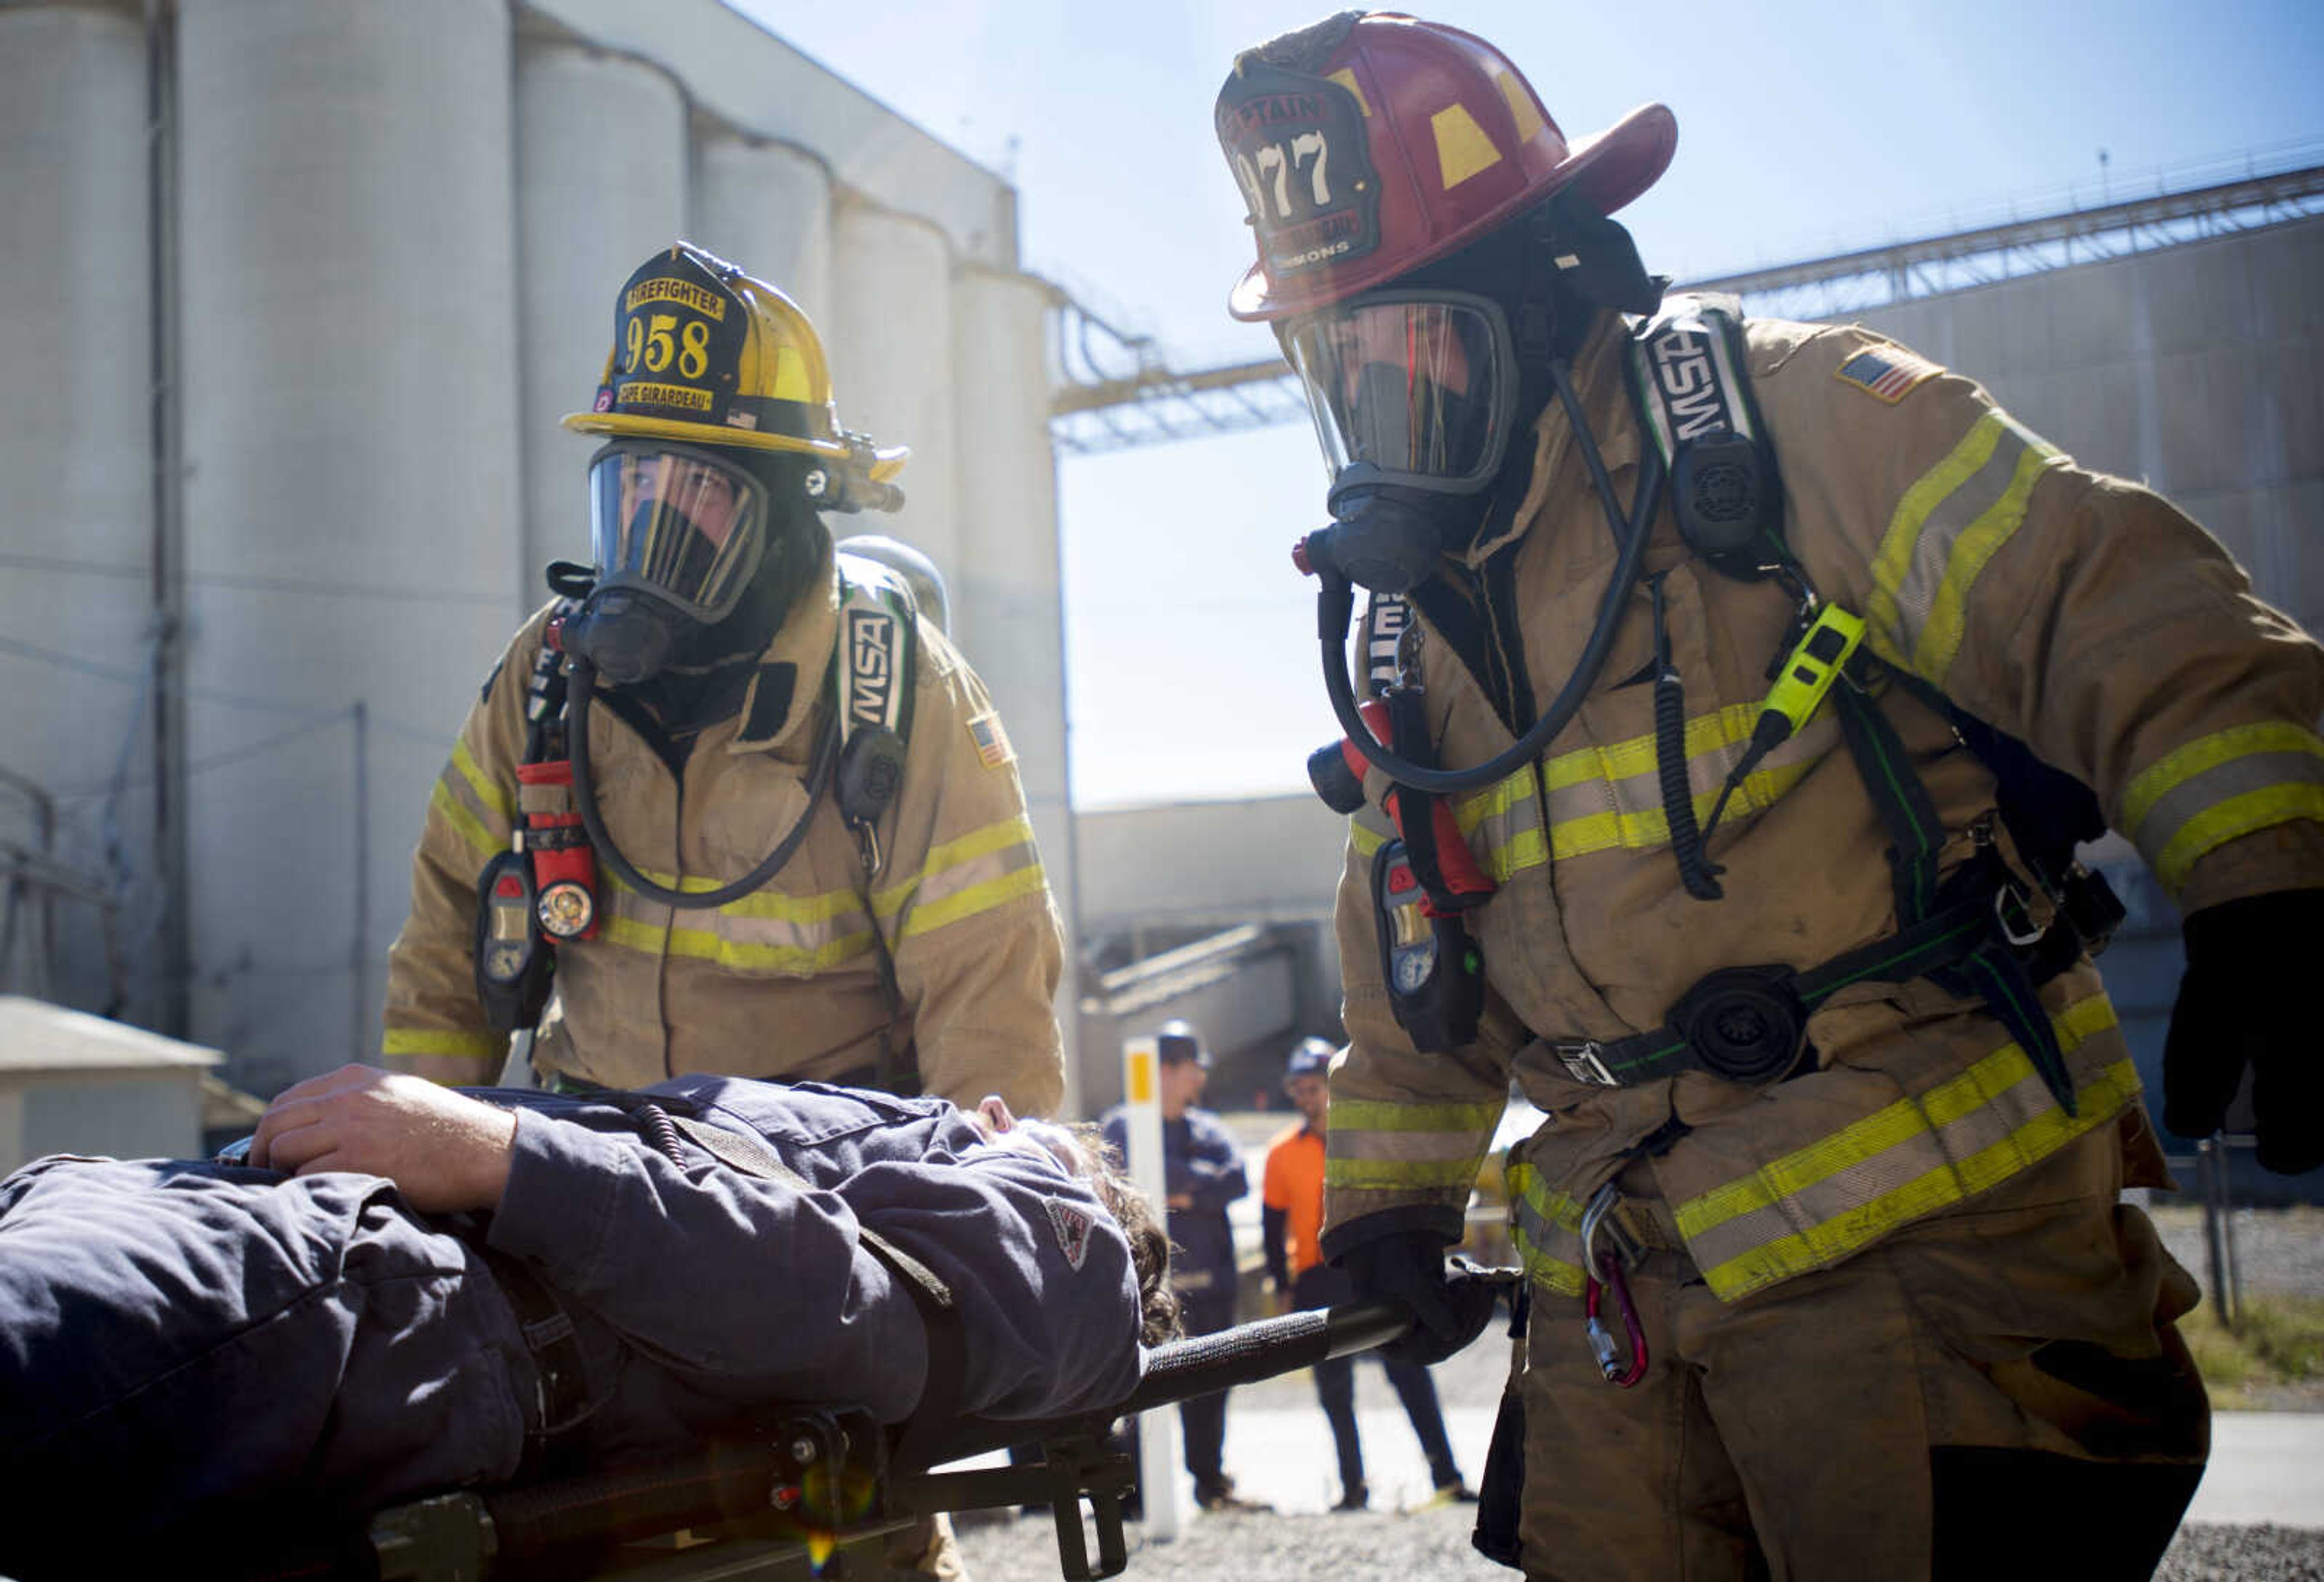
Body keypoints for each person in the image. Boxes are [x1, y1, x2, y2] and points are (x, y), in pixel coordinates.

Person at [1212, 13, 2323, 1581]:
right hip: (1622, 1295)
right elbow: (1409, 941)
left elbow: (2114, 604)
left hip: (1927, 1245)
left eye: (1409, 341)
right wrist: (1389, 1196)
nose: (1376, 402)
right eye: (1338, 360)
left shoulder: (1780, 422)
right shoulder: (1409, 623)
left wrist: (2271, 879)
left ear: (1547, 281)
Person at [0, 1063, 1176, 1578]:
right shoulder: (925, 1172)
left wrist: (495, 1149)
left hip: (377, 1291)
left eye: (1029, 1132)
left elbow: (836, 1306)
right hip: (303, 1240)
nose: (993, 1109)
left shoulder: (1056, 1237)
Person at [380, 241, 1065, 1123]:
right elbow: (444, 946)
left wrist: (982, 1224)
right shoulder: (549, 673)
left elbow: (989, 1007)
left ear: (782, 507)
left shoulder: (895, 685)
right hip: (588, 1164)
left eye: (696, 483)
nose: (651, 514)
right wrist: (417, 1165)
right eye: (634, 479)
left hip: (817, 1191)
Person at [1262, 1036, 1475, 1511]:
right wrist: (1282, 1287)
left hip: (1374, 1271)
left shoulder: (1368, 1141)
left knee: (1410, 1372)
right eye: (1298, 1089)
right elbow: (1271, 1227)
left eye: (1313, 1086)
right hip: (1317, 1278)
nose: (1306, 1097)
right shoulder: (1281, 1154)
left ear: (1333, 1088)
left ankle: (1448, 1476)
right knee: (1335, 1389)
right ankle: (1353, 1487)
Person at [1100, 1019, 1267, 1512]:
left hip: (1211, 1282)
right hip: (1149, 1288)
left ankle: (1209, 1482)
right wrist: (1197, 1190)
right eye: (1194, 1069)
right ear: (1167, 1070)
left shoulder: (1209, 1127)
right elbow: (1123, 1177)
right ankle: (1134, 1495)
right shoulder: (1124, 1124)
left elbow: (1235, 1180)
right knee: (1140, 1387)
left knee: (1212, 1382)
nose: (1200, 1080)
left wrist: (1174, 1189)